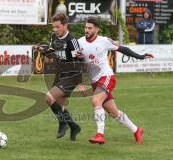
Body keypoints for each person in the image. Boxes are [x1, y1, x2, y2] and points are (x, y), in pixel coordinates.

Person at [78, 17, 154, 144]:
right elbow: (77, 63)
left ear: (96, 29)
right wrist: (80, 83)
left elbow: (122, 49)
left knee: (96, 100)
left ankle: (99, 135)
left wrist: (140, 57)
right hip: (94, 81)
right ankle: (136, 130)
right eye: (86, 27)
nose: (87, 30)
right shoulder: (79, 42)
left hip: (106, 76)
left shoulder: (104, 41)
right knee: (114, 113)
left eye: (90, 28)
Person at [34, 13, 83, 141]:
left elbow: (79, 61)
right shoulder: (53, 37)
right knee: (59, 106)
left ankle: (63, 123)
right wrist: (42, 50)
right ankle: (74, 127)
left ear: (65, 25)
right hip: (60, 73)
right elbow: (52, 53)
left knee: (49, 97)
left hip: (72, 75)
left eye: (58, 27)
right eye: (53, 27)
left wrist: (81, 82)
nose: (55, 30)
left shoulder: (72, 41)